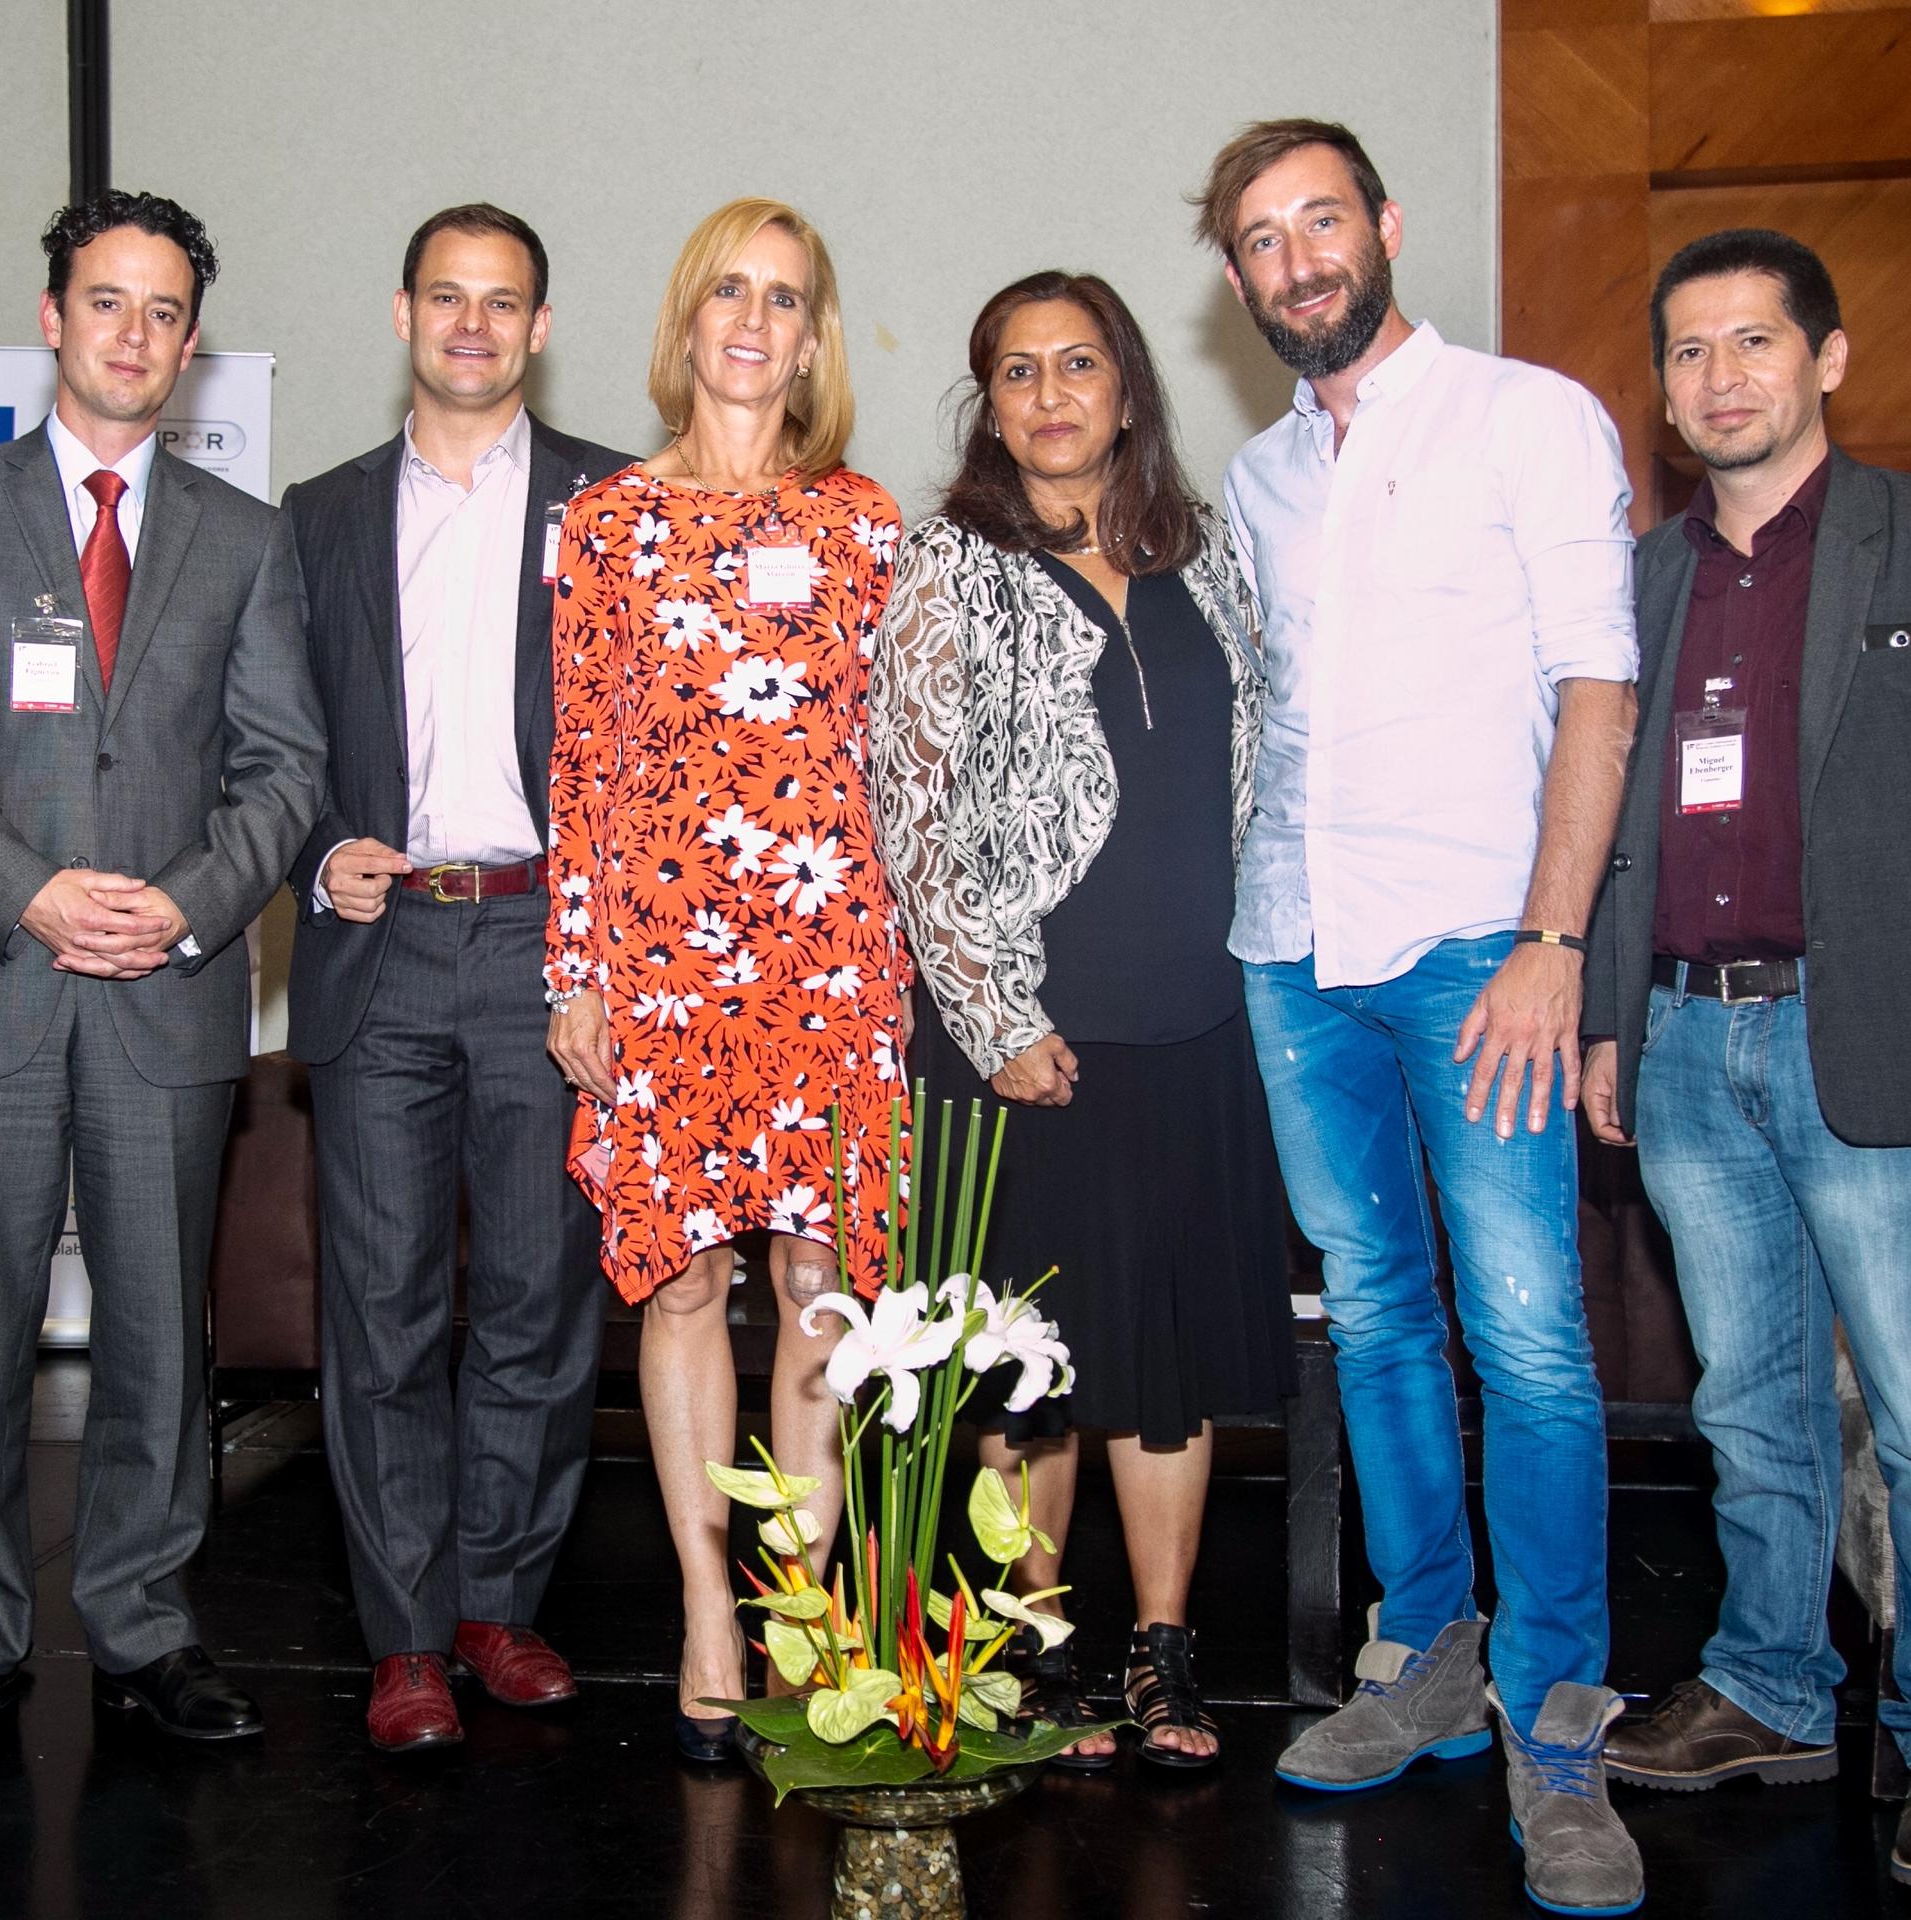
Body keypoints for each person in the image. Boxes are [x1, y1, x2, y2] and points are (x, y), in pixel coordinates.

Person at [1587, 230, 1911, 1900]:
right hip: (1685, 1039)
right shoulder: (1641, 578)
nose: (1720, 377)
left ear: (1829, 359)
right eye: (1688, 352)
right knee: (1748, 1401)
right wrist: (1611, 1020)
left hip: (1883, 1043)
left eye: (1754, 342)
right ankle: (1772, 1687)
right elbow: (1615, 823)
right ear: (1663, 390)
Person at [1201, 118, 1647, 1915]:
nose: (1297, 258)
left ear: (1383, 226)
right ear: (1236, 277)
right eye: (1260, 238)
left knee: (1529, 1338)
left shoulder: (1529, 416)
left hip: (1481, 944)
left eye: (1321, 220)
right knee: (1376, 1315)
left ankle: (1559, 1725)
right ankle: (1432, 1653)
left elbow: (1598, 688)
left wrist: (1556, 938)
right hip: (1293, 948)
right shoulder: (1255, 479)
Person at [0, 189, 324, 1758]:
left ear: (191, 346)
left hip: (165, 993)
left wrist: (182, 910)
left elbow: (284, 768)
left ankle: (144, 1621)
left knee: (157, 1337)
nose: (134, 333)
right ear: (53, 318)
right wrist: (34, 892)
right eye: (107, 302)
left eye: (164, 312)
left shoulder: (247, 539)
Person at [873, 270, 1293, 1773]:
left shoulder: (1210, 559)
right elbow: (913, 810)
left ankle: (1162, 1651)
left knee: (1161, 1361)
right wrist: (993, 1013)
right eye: (1019, 372)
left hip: (1194, 1019)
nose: (1051, 395)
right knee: (1027, 1367)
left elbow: (1258, 772)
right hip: (1024, 1041)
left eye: (1079, 365)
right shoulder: (950, 569)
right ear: (990, 408)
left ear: (1128, 391)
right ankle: (1029, 1647)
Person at [542, 197, 909, 1763]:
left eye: (787, 298)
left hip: (830, 956)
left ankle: (804, 1611)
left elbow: (905, 759)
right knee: (684, 1280)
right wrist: (577, 969)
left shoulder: (865, 523)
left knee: (821, 1282)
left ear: (814, 339)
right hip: (664, 958)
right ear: (688, 320)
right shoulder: (606, 524)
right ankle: (706, 1606)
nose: (755, 321)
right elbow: (583, 759)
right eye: (730, 292)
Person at [281, 204, 633, 1754]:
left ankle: (498, 1600)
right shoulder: (318, 517)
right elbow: (269, 731)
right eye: (447, 296)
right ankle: (406, 1635)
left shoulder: (618, 503)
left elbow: (658, 743)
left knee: (541, 1299)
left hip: (553, 944)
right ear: (403, 313)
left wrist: (621, 944)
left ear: (540, 327)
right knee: (383, 1305)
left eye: (502, 302)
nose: (472, 325)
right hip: (382, 942)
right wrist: (316, 849)